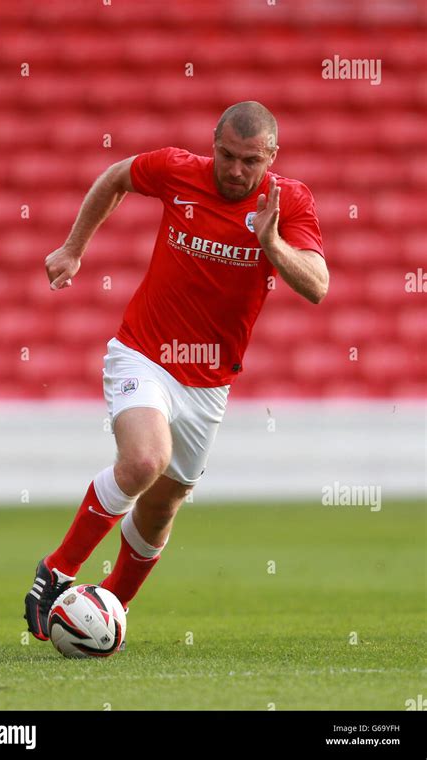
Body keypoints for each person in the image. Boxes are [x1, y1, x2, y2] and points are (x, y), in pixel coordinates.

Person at [24, 101, 329, 644]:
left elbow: (318, 286)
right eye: (227, 156)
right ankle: (58, 570)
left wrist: (272, 243)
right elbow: (116, 177)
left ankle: (108, 608)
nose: (235, 171)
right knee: (143, 460)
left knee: (163, 506)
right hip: (144, 353)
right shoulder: (175, 170)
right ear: (212, 144)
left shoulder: (290, 203)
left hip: (210, 382)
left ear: (272, 156)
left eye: (250, 161)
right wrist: (73, 249)